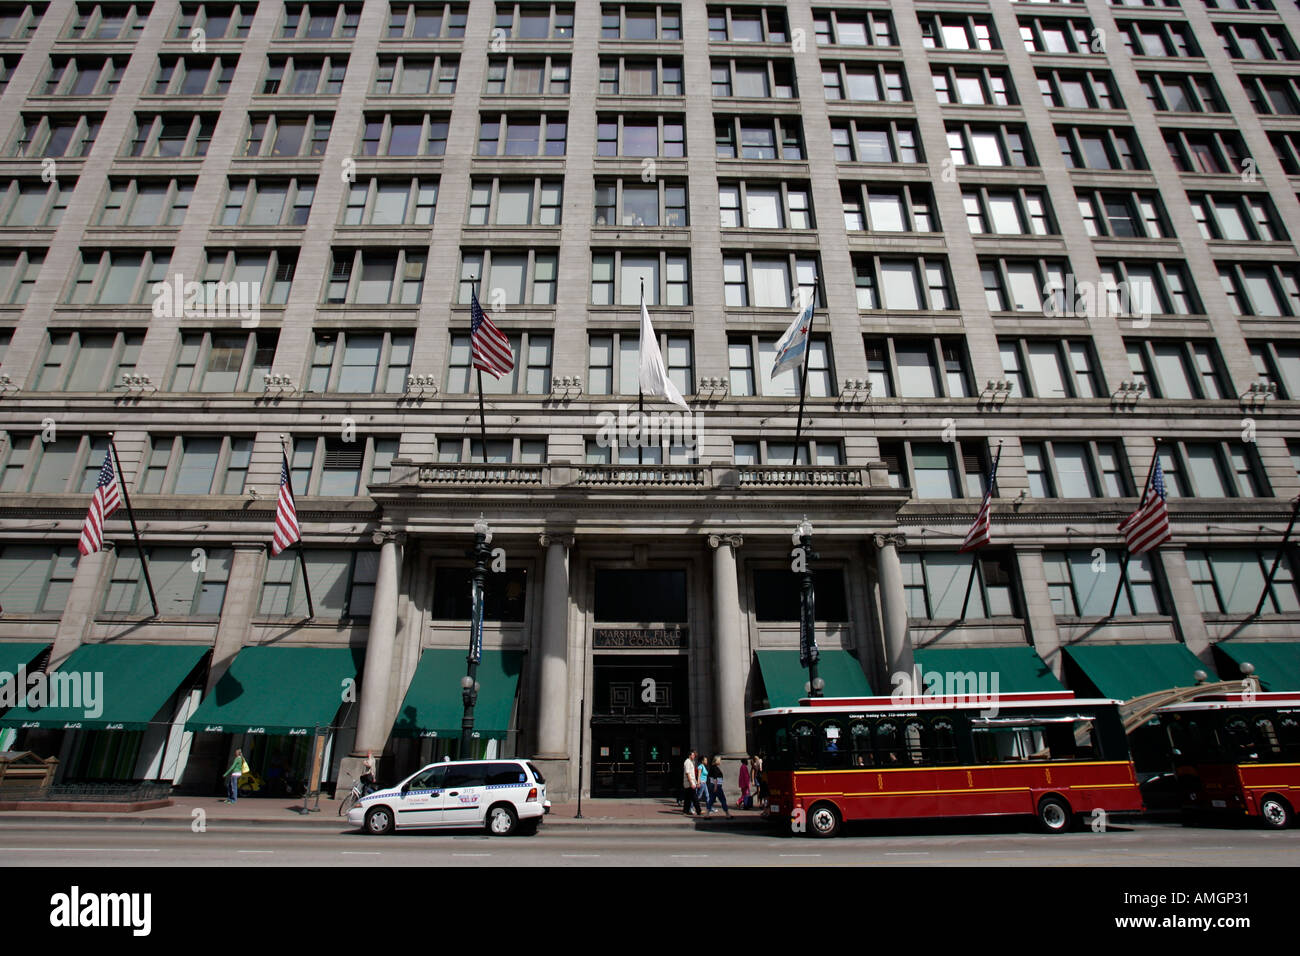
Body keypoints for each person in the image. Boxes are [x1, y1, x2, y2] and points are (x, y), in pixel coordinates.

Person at [682, 748, 702, 816]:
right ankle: (699, 811)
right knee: (694, 798)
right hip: (689, 783)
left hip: (690, 783)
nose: (694, 756)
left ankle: (685, 811)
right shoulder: (687, 762)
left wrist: (696, 782)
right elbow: (687, 773)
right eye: (693, 755)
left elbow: (692, 774)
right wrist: (691, 783)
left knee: (687, 798)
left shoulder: (690, 762)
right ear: (690, 755)